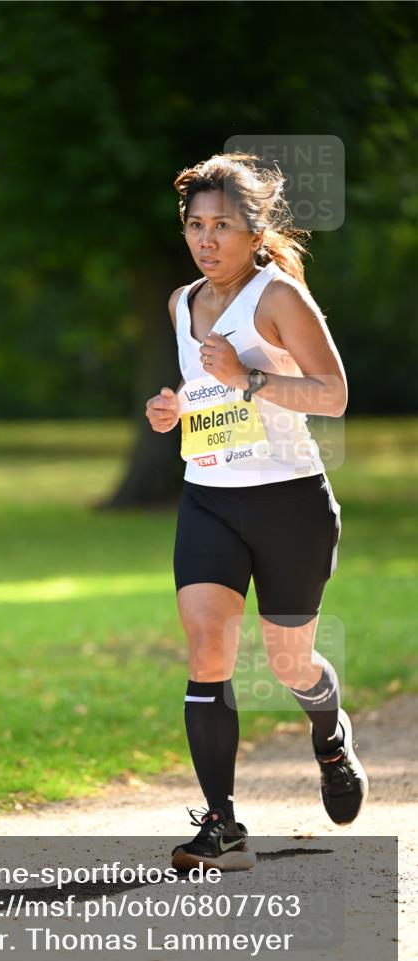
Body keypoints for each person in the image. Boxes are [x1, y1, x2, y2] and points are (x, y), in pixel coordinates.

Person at [145, 152, 368, 872]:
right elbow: (202, 389)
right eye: (194, 225)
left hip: (289, 503)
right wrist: (172, 406)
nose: (205, 240)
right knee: (206, 646)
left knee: (287, 662)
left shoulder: (277, 297)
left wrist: (250, 378)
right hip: (208, 499)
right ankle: (221, 825)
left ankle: (329, 733)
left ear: (253, 231)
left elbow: (331, 395)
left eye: (222, 227)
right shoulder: (182, 302)